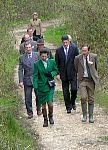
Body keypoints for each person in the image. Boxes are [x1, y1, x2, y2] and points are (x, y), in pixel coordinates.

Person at [33, 48, 59, 127]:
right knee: (43, 105)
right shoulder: (36, 64)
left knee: (50, 104)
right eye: (42, 56)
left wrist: (51, 74)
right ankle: (45, 120)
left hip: (49, 85)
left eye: (45, 56)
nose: (44, 58)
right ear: (40, 56)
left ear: (47, 55)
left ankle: (50, 116)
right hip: (41, 87)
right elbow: (35, 76)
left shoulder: (52, 62)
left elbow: (56, 71)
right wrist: (35, 86)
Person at [74, 45, 99, 123]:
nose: (83, 52)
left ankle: (91, 116)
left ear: (89, 51)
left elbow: (96, 67)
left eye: (85, 51)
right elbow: (76, 68)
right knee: (83, 97)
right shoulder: (78, 58)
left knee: (91, 98)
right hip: (83, 80)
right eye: (82, 51)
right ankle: (84, 115)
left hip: (91, 80)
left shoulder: (94, 56)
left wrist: (95, 76)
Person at [55, 35, 79, 113]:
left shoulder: (74, 48)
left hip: (73, 72)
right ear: (62, 42)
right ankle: (68, 107)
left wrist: (78, 70)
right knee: (65, 91)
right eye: (64, 42)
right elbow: (56, 63)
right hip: (63, 73)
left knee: (74, 89)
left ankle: (73, 102)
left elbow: (78, 60)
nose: (65, 44)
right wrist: (57, 73)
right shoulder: (58, 50)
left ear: (69, 41)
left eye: (66, 42)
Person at [18, 41, 41, 118]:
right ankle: (30, 112)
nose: (28, 49)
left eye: (29, 47)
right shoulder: (21, 57)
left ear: (32, 47)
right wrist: (20, 81)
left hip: (36, 78)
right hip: (27, 78)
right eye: (27, 48)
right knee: (28, 96)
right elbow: (20, 69)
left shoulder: (37, 55)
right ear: (25, 49)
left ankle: (39, 109)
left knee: (38, 94)